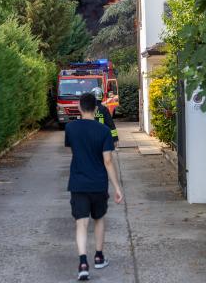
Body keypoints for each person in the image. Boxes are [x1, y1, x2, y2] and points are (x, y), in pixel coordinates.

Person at [65, 93, 123, 281]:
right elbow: (108, 160)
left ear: (80, 108)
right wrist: (117, 187)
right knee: (99, 219)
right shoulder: (104, 131)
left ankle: (83, 263)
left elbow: (74, 150)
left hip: (78, 182)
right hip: (98, 183)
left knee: (81, 222)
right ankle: (99, 257)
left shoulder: (70, 128)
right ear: (96, 109)